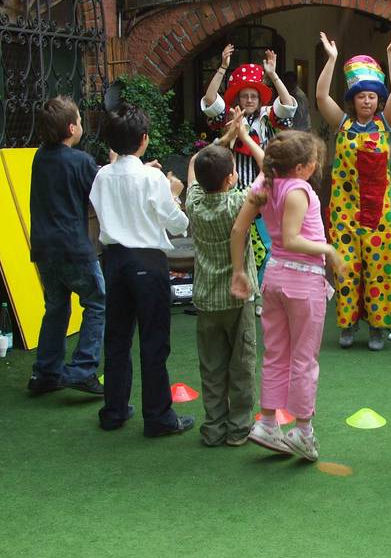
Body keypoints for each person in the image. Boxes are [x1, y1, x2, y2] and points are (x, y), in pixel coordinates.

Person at [230, 130, 343, 461]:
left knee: (276, 354)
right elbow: (293, 239)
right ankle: (303, 432)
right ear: (304, 167)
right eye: (313, 162)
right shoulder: (298, 190)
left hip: (275, 279)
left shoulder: (264, 184)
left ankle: (267, 422)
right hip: (303, 282)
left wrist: (239, 270)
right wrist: (328, 249)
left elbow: (239, 230)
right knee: (304, 359)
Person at [90, 105, 194, 437]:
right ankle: (158, 416)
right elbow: (177, 224)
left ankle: (115, 409)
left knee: (117, 338)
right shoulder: (152, 178)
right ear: (144, 139)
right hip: (148, 262)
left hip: (115, 260)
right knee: (153, 341)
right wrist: (176, 195)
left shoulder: (103, 174)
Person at [316, 29, 391, 351]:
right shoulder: (341, 124)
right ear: (352, 100)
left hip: (381, 212)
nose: (367, 101)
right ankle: (348, 324)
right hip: (344, 211)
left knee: (380, 271)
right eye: (361, 96)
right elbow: (321, 97)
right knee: (347, 270)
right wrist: (332, 59)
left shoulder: (387, 124)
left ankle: (379, 327)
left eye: (372, 96)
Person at [202, 45, 298, 309]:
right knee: (238, 242)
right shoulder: (228, 119)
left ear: (259, 98)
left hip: (264, 191)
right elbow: (210, 100)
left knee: (268, 246)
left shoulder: (268, 118)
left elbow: (288, 106)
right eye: (244, 96)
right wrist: (222, 67)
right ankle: (242, 288)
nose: (249, 100)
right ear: (238, 99)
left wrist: (274, 75)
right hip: (234, 192)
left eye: (253, 95)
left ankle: (260, 292)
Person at [187, 109, 261, 447]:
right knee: (242, 364)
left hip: (206, 299)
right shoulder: (238, 204)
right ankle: (239, 428)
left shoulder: (195, 202)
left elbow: (194, 163)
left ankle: (213, 427)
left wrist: (223, 140)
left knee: (212, 365)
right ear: (232, 178)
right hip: (237, 297)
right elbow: (271, 176)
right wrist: (242, 136)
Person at [27, 96, 105, 396]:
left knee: (56, 306)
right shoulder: (81, 161)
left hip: (43, 248)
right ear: (72, 128)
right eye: (81, 121)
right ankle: (83, 369)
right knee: (96, 302)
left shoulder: (38, 157)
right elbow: (102, 191)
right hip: (74, 247)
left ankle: (46, 373)